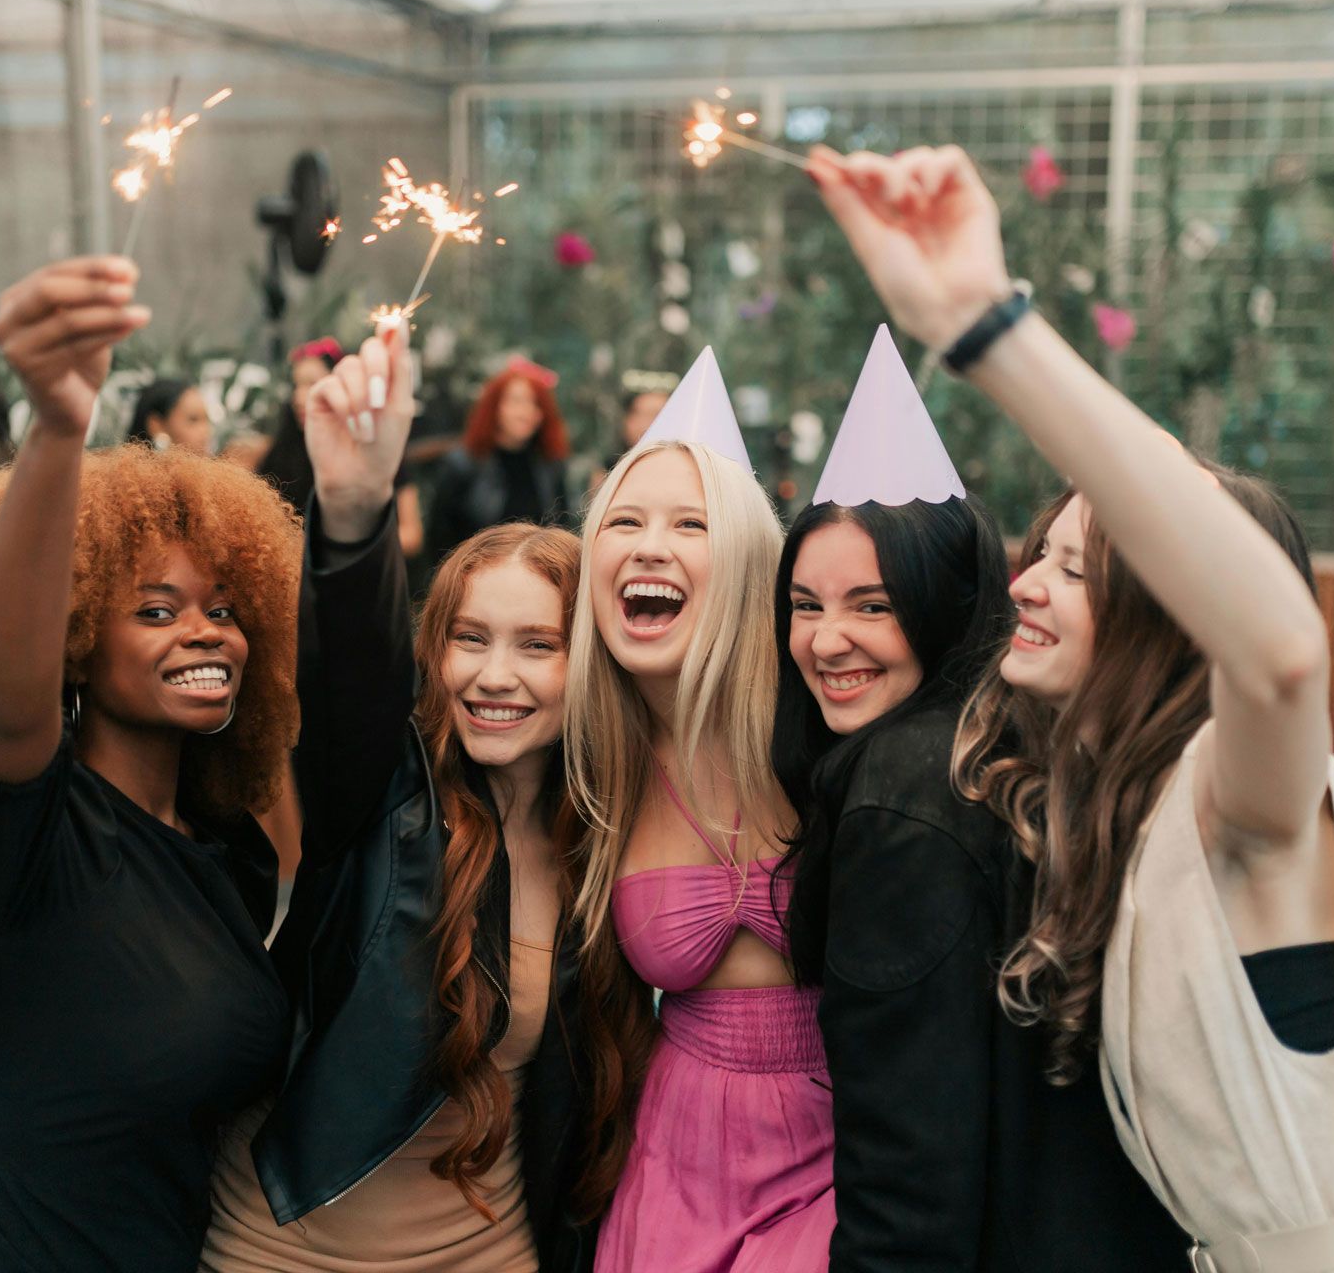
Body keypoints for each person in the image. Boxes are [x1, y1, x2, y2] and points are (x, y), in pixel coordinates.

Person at [811, 143, 1334, 1270]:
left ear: (1177, 615)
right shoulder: (1095, 810)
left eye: (1077, 568)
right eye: (1041, 550)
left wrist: (983, 323)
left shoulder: (1234, 804)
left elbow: (1282, 656)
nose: (1025, 584)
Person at [0, 256, 300, 1272]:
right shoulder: (22, 838)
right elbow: (7, 698)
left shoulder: (219, 846)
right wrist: (56, 429)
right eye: (156, 610)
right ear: (79, 636)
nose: (206, 632)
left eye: (224, 608)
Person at [202, 330, 654, 1273]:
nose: (494, 675)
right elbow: (349, 682)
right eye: (469, 638)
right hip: (282, 1255)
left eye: (538, 645)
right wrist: (355, 509)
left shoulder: (612, 837)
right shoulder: (383, 800)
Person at [772, 326, 1187, 1271]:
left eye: (873, 605)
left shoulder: (904, 792)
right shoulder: (1008, 750)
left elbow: (908, 1157)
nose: (826, 641)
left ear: (945, 604)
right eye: (804, 605)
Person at [565, 351, 835, 1272]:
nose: (650, 546)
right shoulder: (591, 764)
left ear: (751, 561)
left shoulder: (824, 732)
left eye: (691, 523)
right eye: (625, 520)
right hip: (672, 1168)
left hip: (846, 1154)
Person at [262, 337, 423, 560]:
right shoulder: (284, 453)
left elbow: (411, 534)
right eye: (296, 385)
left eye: (312, 383)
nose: (299, 397)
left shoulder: (374, 450)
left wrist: (348, 549)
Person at [427, 358, 571, 561]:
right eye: (516, 401)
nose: (526, 412)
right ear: (495, 406)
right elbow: (439, 539)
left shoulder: (550, 465)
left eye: (535, 404)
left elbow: (562, 529)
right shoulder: (463, 463)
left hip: (536, 571)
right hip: (475, 571)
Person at [128, 376, 213, 453]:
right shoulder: (130, 464)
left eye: (207, 420)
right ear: (156, 426)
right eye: (193, 420)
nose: (206, 431)